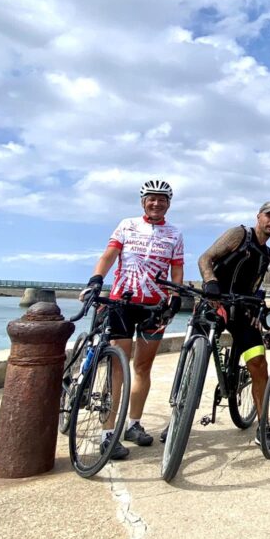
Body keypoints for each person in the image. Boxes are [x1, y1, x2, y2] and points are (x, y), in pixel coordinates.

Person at [83, 179, 184, 459]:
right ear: (143, 202)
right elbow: (109, 255)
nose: (156, 203)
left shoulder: (175, 234)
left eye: (162, 199)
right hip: (123, 304)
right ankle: (108, 433)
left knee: (142, 367)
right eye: (151, 198)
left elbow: (177, 269)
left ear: (168, 204)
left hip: (155, 308)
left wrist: (175, 296)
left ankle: (133, 425)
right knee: (118, 367)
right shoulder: (127, 225)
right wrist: (96, 279)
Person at [195, 201, 270, 444]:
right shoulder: (239, 235)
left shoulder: (266, 254)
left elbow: (254, 286)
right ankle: (179, 417)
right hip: (216, 303)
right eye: (269, 216)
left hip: (242, 311)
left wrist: (257, 308)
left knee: (258, 362)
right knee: (196, 357)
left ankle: (263, 425)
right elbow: (205, 259)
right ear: (259, 217)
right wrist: (211, 282)